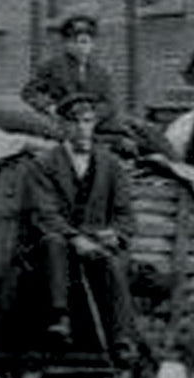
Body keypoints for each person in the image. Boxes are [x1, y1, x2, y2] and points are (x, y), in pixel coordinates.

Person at [19, 92, 137, 362]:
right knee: (53, 243)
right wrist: (74, 238)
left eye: (88, 121)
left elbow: (125, 214)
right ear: (62, 126)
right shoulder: (44, 164)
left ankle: (121, 339)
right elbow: (44, 212)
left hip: (97, 241)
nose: (83, 129)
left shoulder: (111, 165)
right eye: (75, 122)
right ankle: (59, 318)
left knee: (113, 262)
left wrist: (116, 234)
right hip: (53, 243)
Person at [21, 8, 117, 120]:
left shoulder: (101, 72)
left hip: (93, 123)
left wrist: (93, 114)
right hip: (60, 120)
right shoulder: (52, 67)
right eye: (75, 42)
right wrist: (49, 106)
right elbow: (30, 93)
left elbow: (110, 103)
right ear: (66, 44)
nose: (80, 46)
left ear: (92, 45)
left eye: (85, 42)